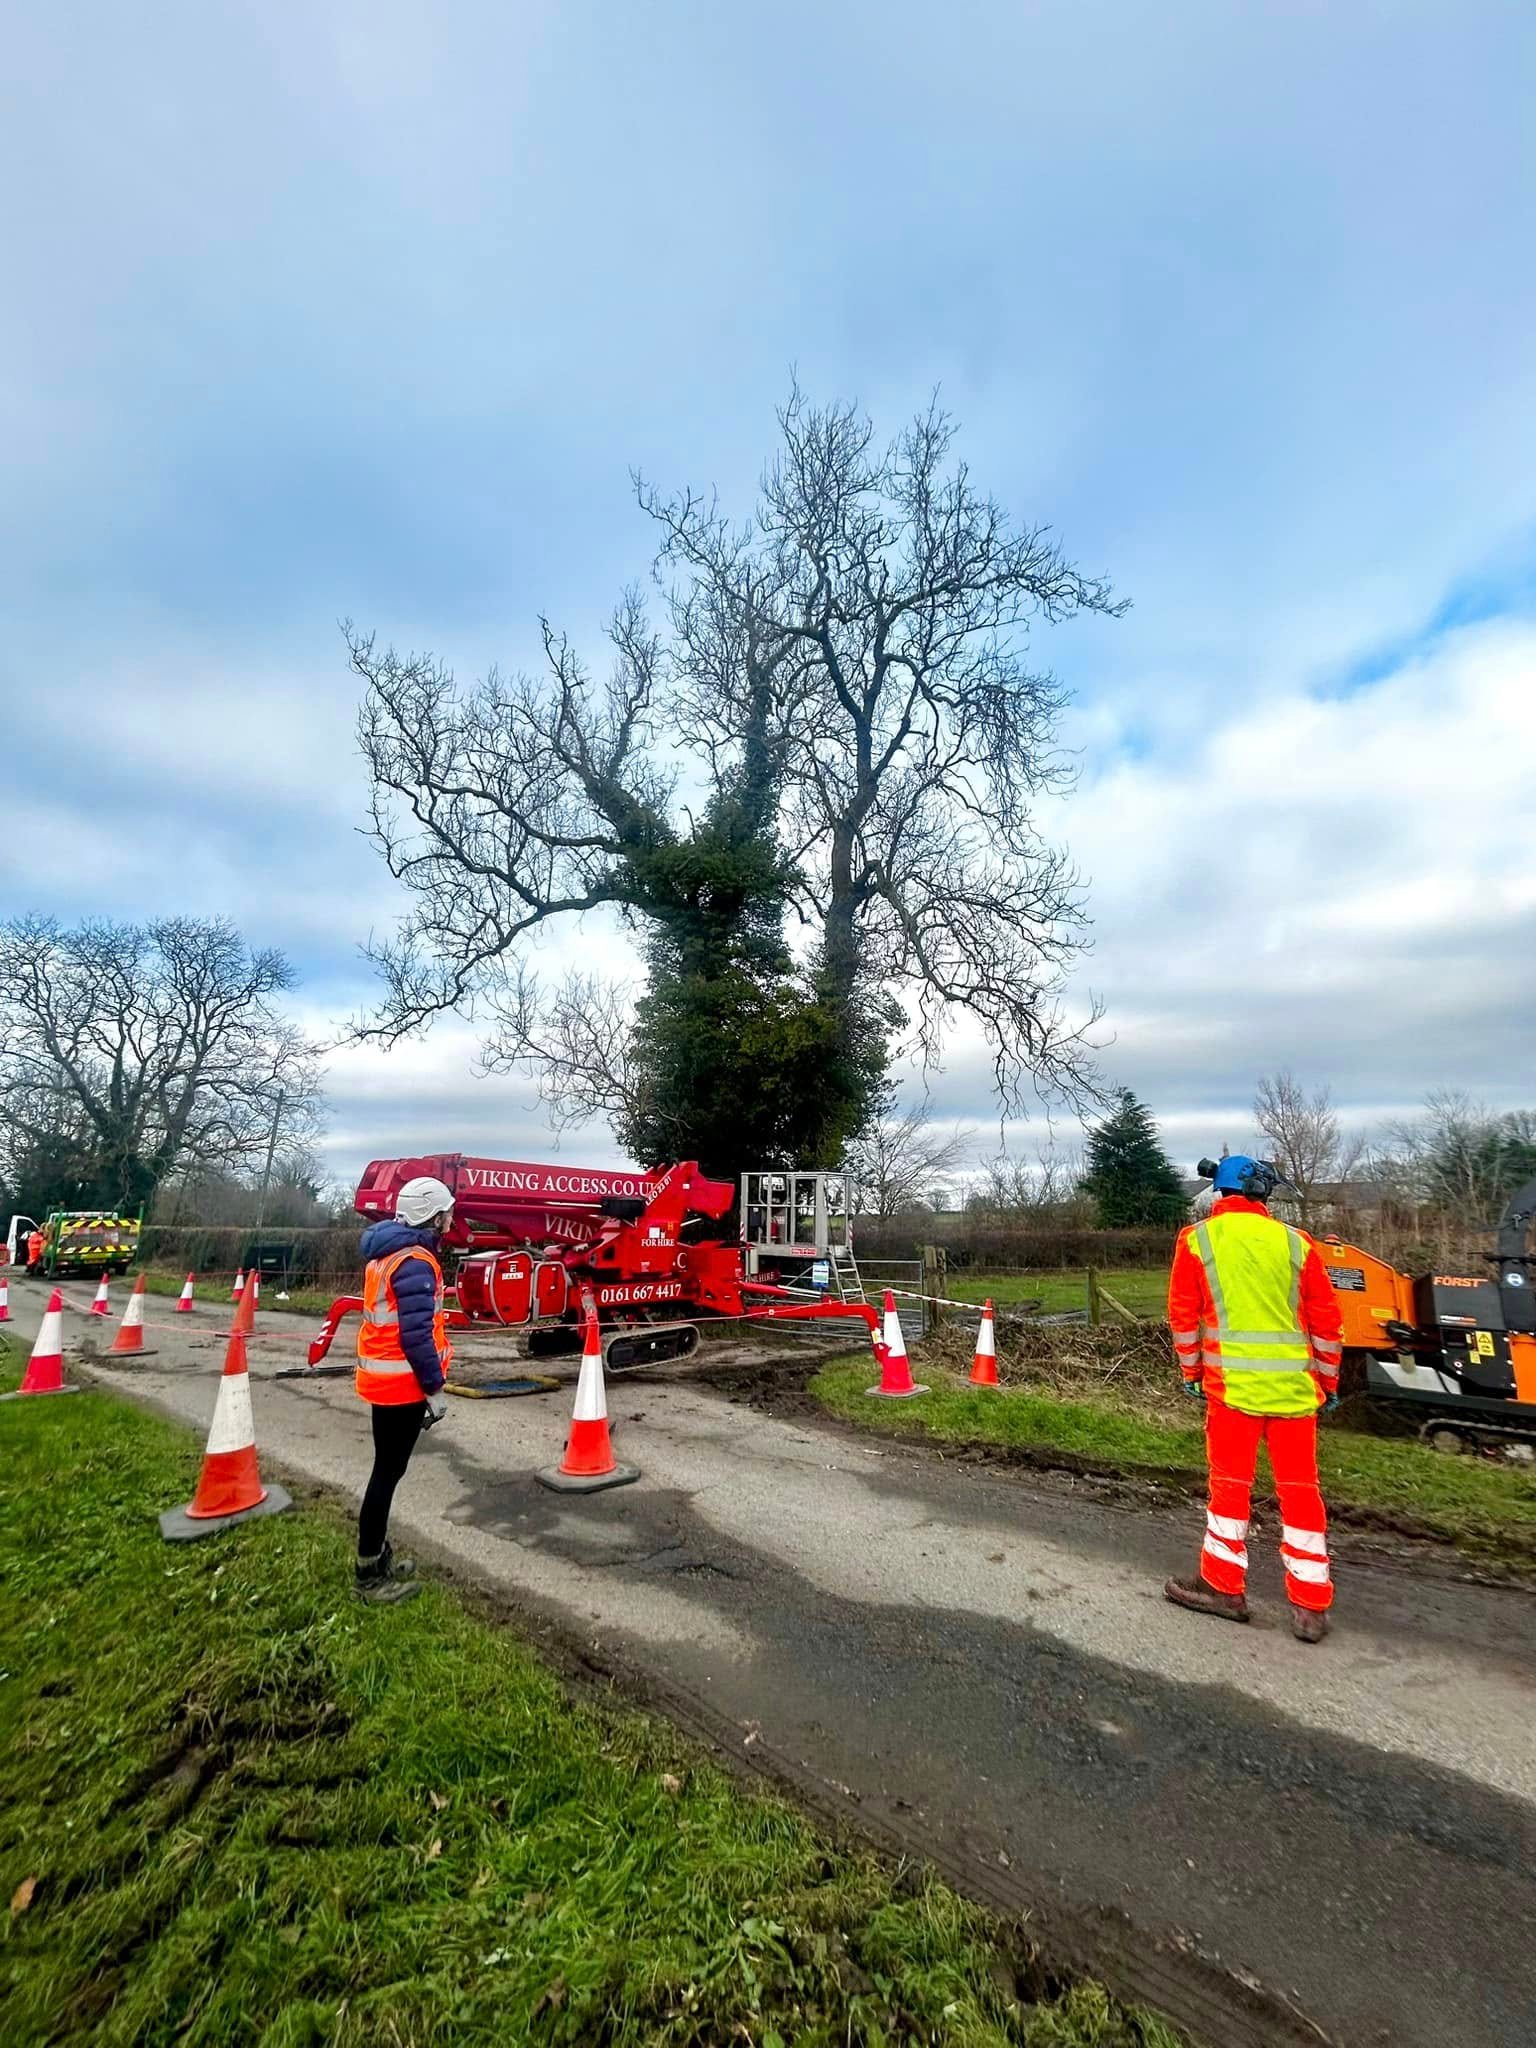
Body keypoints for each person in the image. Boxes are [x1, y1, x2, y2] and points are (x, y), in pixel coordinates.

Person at [1164, 1154, 1344, 1643]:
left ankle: (1224, 1588)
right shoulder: (1296, 1243)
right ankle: (1310, 1607)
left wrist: (1192, 1373)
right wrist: (1327, 1383)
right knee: (1301, 1493)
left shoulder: (1197, 1241)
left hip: (1232, 1395)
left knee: (1229, 1488)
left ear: (1219, 1192)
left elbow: (1183, 1318)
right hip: (1295, 1394)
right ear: (1266, 1195)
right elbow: (1327, 1323)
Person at [354, 1174, 456, 1605]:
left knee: (388, 1471)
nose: (451, 1218)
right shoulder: (414, 1261)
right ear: (432, 1216)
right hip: (402, 1386)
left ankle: (375, 1558)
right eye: (446, 1212)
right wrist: (434, 1388)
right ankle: (368, 1576)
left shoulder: (389, 1254)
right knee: (386, 1474)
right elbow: (416, 1336)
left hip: (386, 1381)